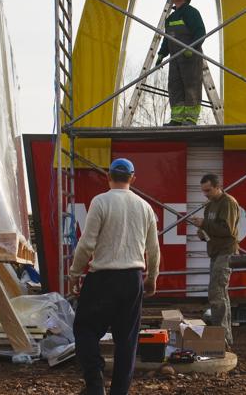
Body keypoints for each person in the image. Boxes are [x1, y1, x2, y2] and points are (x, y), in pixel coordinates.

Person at [69, 158, 160, 395]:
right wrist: (151, 279)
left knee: (85, 329)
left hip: (102, 278)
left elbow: (86, 244)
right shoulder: (145, 207)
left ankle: (95, 385)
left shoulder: (100, 202)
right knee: (126, 340)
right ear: (133, 179)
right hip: (132, 279)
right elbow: (153, 249)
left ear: (108, 177)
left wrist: (75, 274)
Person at [192, 173, 239, 346]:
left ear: (218, 186)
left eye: (208, 190)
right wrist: (203, 234)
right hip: (216, 252)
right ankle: (225, 337)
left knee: (216, 293)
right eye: (203, 191)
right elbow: (215, 230)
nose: (206, 194)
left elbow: (228, 230)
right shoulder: (210, 205)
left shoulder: (228, 203)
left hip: (225, 252)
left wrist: (204, 225)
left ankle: (222, 337)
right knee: (220, 294)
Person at [156, 0, 206, 126]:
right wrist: (161, 54)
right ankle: (177, 119)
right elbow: (167, 38)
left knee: (191, 85)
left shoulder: (191, 12)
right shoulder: (171, 18)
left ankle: (190, 119)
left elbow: (200, 31)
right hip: (175, 58)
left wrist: (193, 47)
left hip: (190, 56)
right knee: (175, 86)